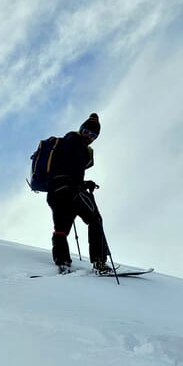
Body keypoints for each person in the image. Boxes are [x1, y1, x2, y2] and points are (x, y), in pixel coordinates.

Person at [46, 113, 109, 273]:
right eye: (87, 132)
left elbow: (65, 168)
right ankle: (99, 261)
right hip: (71, 191)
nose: (89, 137)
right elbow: (74, 171)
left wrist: (83, 183)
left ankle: (63, 261)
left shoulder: (65, 142)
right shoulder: (76, 143)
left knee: (61, 228)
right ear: (81, 130)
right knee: (95, 219)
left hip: (54, 193)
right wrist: (82, 184)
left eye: (93, 135)